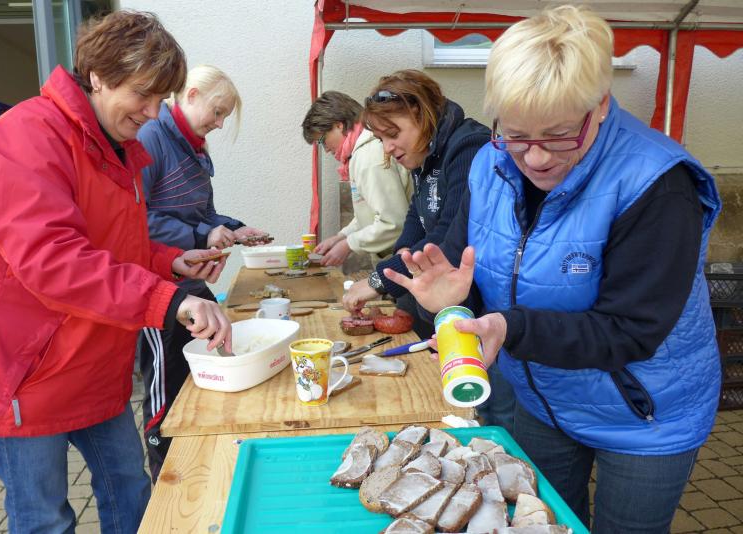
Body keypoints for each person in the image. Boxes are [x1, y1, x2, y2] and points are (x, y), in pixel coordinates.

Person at [384, 6, 721, 533]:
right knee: (542, 524)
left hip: (644, 417)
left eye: (560, 135)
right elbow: (464, 271)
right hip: (543, 401)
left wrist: (508, 327)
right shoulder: (489, 163)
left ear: (600, 105)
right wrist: (452, 303)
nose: (536, 157)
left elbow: (630, 329)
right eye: (517, 134)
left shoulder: (656, 184)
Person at [0, 11, 233, 534]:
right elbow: (53, 260)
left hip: (91, 359)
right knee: (45, 518)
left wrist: (169, 261)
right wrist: (168, 299)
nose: (152, 112)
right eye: (142, 94)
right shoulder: (26, 136)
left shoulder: (118, 147)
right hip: (22, 370)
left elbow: (112, 243)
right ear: (97, 75)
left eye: (160, 98)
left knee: (131, 491)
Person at [136, 64, 264, 482]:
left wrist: (234, 228)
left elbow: (204, 215)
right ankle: (164, 468)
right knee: (166, 382)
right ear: (191, 95)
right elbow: (138, 218)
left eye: (225, 115)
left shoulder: (196, 147)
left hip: (190, 281)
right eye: (218, 111)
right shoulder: (152, 136)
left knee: (212, 361)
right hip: (159, 287)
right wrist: (201, 233)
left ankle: (205, 456)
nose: (220, 123)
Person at [341, 70, 491, 340]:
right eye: (381, 139)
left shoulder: (469, 147)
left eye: (392, 134)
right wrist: (404, 249)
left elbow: (450, 233)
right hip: (435, 291)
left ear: (422, 115)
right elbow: (417, 212)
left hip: (474, 304)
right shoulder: (423, 151)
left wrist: (381, 279)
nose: (387, 148)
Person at [302, 91, 412, 270]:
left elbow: (393, 222)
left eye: (322, 141)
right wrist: (342, 237)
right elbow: (369, 214)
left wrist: (348, 245)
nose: (326, 149)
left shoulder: (368, 157)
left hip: (406, 261)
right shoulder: (359, 154)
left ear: (339, 125)